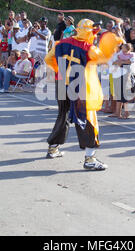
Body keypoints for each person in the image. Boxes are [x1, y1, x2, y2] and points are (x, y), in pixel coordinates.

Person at [44, 19, 122, 170]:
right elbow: (105, 57)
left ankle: (53, 148)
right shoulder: (89, 48)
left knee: (63, 114)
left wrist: (60, 72)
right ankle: (90, 159)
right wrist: (116, 37)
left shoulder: (60, 43)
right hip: (80, 87)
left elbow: (48, 59)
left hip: (62, 84)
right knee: (86, 119)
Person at [109, 43, 135, 119]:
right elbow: (114, 63)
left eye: (122, 47)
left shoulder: (130, 55)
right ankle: (118, 113)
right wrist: (119, 62)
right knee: (118, 93)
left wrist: (121, 62)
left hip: (125, 75)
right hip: (117, 74)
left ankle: (126, 112)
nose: (121, 48)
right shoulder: (118, 54)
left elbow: (129, 62)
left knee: (124, 94)